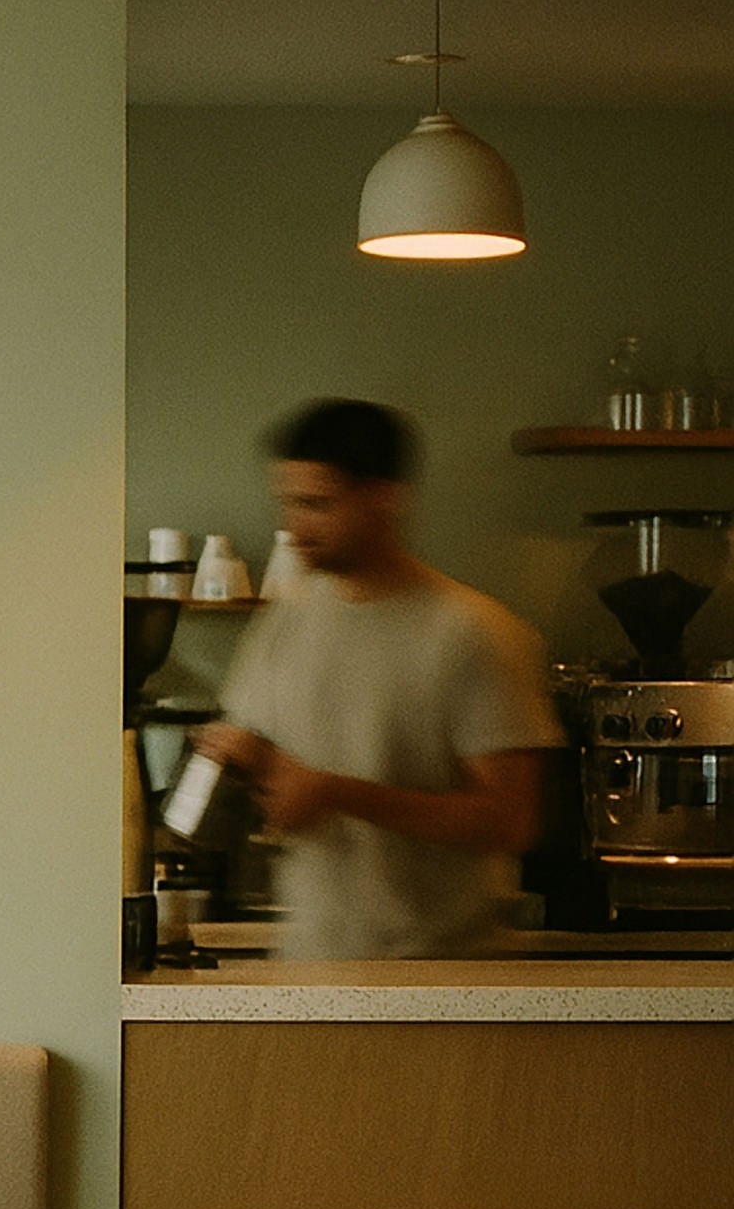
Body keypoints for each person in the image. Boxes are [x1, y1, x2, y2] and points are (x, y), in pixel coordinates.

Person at [199, 399, 562, 960]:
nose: (293, 527)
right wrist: (246, 756)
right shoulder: (286, 620)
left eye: (316, 504)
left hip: (440, 969)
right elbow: (271, 756)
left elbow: (508, 820)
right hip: (310, 962)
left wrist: (335, 792)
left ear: (385, 498)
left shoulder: (473, 632)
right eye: (288, 503)